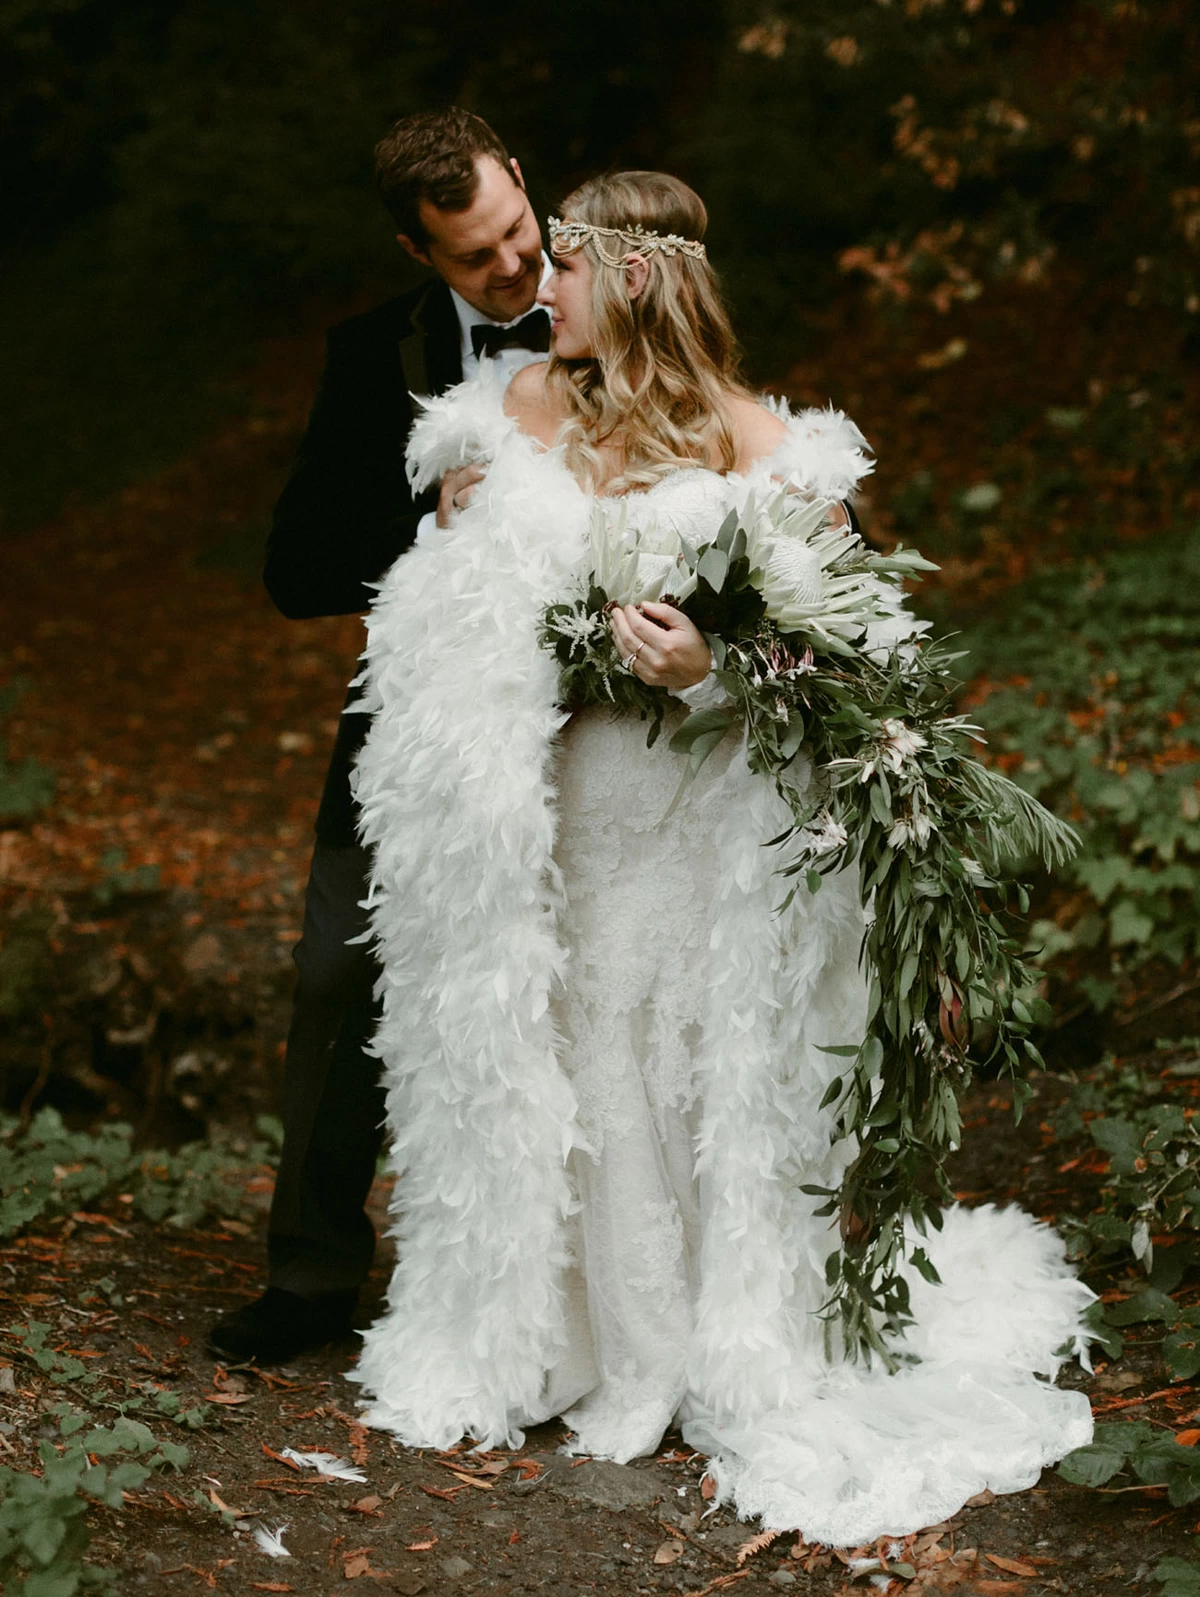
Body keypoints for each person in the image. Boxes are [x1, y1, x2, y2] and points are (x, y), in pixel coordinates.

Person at [347, 170, 1094, 1546]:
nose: (538, 292)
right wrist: (473, 564)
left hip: (711, 814)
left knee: (697, 1056)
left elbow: (864, 661)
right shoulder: (510, 421)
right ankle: (602, 1349)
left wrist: (714, 667)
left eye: (562, 263)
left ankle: (719, 1344)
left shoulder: (761, 438)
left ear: (631, 277)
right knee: (586, 1056)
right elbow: (453, 635)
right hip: (570, 803)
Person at [209, 107, 554, 1365]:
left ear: (523, 175)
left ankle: (576, 1296)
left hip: (594, 715)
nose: (514, 269)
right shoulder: (369, 356)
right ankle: (309, 1275)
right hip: (413, 717)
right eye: (477, 259)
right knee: (339, 969)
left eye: (518, 232)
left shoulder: (614, 300)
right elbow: (293, 569)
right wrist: (426, 522)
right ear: (420, 255)